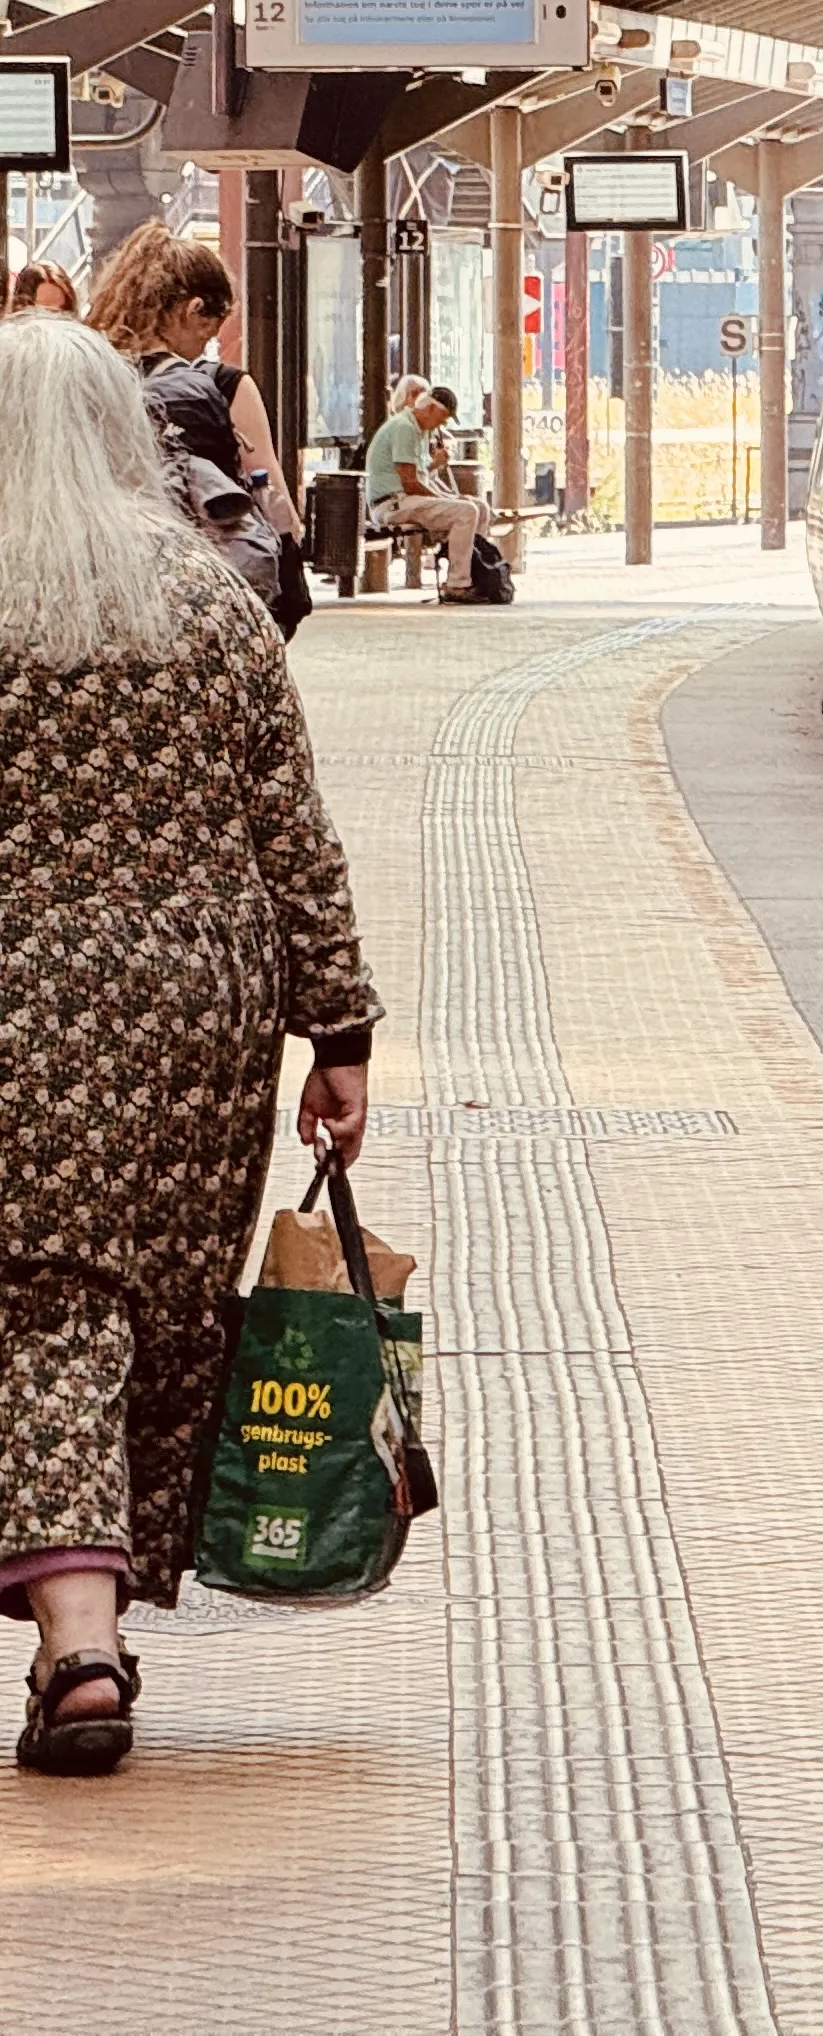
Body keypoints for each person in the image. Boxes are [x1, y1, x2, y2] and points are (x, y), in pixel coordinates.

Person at [0, 314, 377, 1775]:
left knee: (35, 1307)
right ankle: (88, 1630)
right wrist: (336, 1032)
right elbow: (296, 834)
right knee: (147, 1311)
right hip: (190, 1015)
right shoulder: (206, 601)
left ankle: (75, 1641)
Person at [86, 224, 310, 635]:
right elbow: (270, 496)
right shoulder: (217, 385)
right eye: (211, 328)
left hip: (101, 582)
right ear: (192, 310)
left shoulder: (86, 372)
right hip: (195, 592)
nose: (207, 345)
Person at [362, 381, 495, 602]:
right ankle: (457, 584)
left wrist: (446, 488)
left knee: (479, 507)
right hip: (392, 503)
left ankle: (474, 573)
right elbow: (410, 483)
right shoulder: (404, 428)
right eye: (443, 417)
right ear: (431, 408)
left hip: (405, 499)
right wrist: (445, 500)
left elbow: (420, 476)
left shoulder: (418, 430)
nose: (442, 424)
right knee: (467, 511)